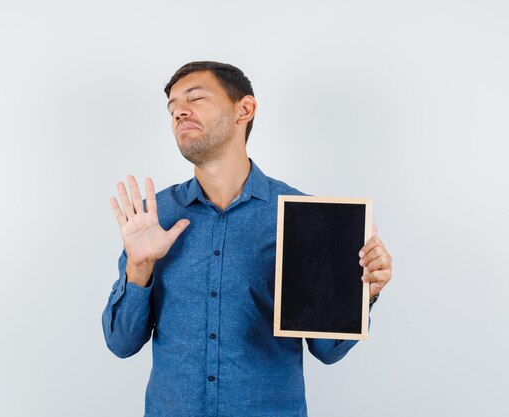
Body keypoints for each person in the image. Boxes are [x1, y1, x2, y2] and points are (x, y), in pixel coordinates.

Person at [102, 61, 393, 417]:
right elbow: (121, 343)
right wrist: (139, 266)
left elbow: (328, 350)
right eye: (172, 107)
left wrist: (365, 292)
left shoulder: (306, 217)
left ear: (245, 109)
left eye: (195, 98)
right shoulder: (154, 216)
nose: (179, 111)